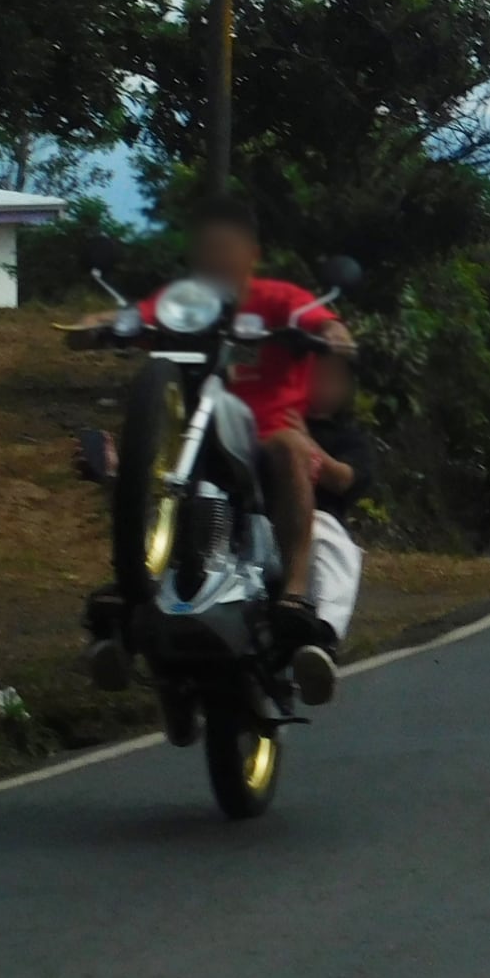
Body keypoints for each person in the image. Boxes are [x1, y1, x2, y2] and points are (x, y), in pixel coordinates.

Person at [74, 196, 352, 710]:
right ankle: (129, 602)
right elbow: (129, 316)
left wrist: (333, 335)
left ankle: (294, 593)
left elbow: (326, 324)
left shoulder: (281, 300)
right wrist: (93, 325)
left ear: (252, 253)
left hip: (265, 437)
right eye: (207, 247)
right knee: (128, 463)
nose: (216, 257)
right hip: (191, 436)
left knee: (291, 446)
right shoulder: (183, 302)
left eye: (228, 246)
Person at [73, 350, 373, 731]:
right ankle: (120, 638)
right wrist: (126, 469)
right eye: (316, 374)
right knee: (178, 513)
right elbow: (175, 479)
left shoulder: (346, 438)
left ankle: (319, 641)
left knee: (332, 545)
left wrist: (302, 446)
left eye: (333, 378)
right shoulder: (242, 417)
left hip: (303, 528)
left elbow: (345, 478)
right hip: (232, 525)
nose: (323, 384)